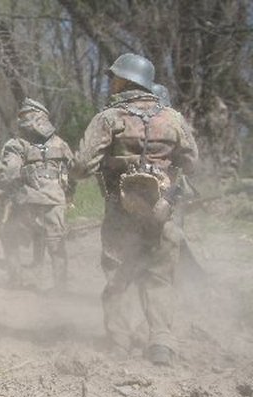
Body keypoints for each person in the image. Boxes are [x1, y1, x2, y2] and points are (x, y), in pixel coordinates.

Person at [71, 53, 199, 365]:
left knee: (118, 275)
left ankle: (119, 342)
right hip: (162, 211)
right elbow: (192, 163)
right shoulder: (173, 118)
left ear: (128, 80)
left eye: (115, 76)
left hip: (121, 212)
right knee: (160, 278)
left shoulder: (109, 118)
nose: (111, 82)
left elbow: (82, 166)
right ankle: (161, 342)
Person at [0, 98, 74, 289]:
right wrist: (68, 194)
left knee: (9, 236)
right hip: (55, 200)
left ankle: (16, 280)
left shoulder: (17, 144)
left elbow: (9, 172)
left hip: (26, 200)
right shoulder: (61, 143)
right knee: (56, 243)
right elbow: (74, 172)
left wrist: (5, 188)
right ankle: (60, 288)